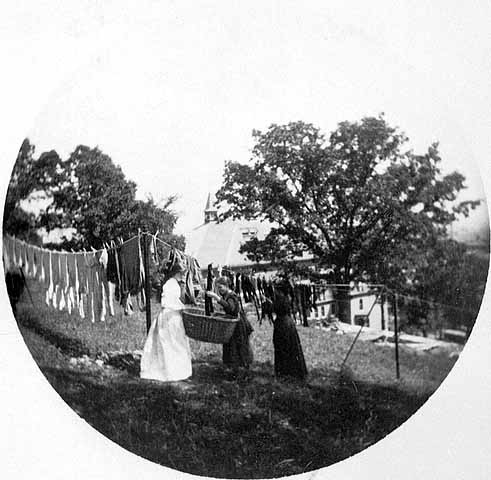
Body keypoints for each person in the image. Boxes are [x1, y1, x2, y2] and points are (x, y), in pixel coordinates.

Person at [140, 262, 192, 382]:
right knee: (169, 342)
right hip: (169, 316)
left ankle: (178, 370)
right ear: (176, 273)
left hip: (174, 316)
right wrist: (180, 307)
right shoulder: (170, 284)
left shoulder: (176, 284)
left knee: (177, 342)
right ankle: (170, 371)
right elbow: (166, 302)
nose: (183, 276)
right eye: (182, 273)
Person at [206, 276, 253, 369]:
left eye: (220, 287)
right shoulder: (227, 295)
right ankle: (233, 367)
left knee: (237, 346)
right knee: (230, 345)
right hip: (232, 323)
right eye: (218, 288)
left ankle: (239, 368)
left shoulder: (232, 296)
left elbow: (230, 308)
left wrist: (216, 297)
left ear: (227, 286)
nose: (219, 290)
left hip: (238, 324)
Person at [272, 289, 308, 381]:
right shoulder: (285, 299)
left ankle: (287, 372)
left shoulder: (281, 300)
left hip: (283, 323)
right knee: (292, 349)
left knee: (286, 350)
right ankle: (294, 371)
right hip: (286, 322)